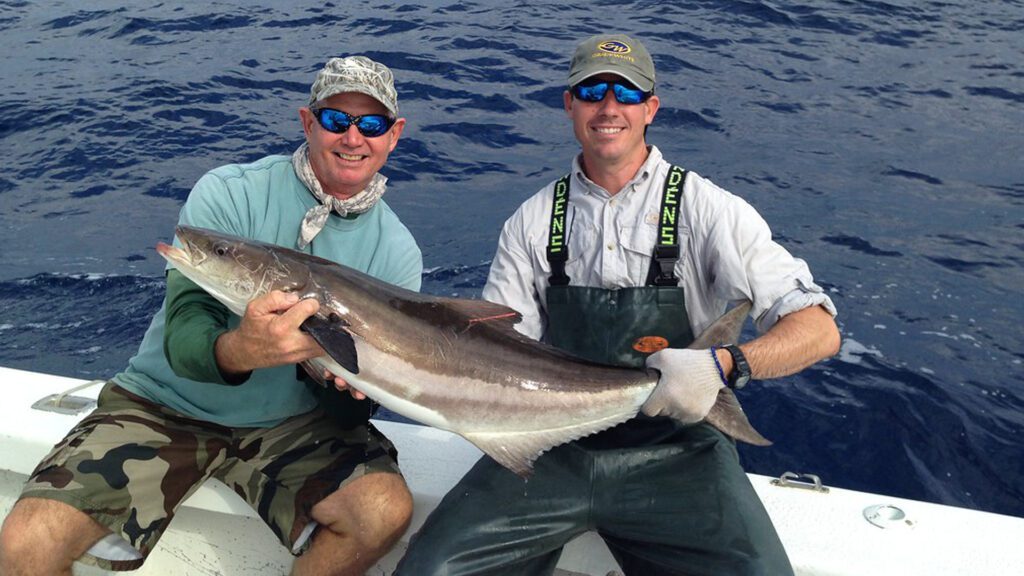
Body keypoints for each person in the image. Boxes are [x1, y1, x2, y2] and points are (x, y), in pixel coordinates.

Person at [395, 33, 840, 576]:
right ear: (570, 105)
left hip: (677, 450)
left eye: (626, 93)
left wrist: (723, 365)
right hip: (550, 448)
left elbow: (818, 330)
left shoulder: (709, 209)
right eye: (592, 92)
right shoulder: (531, 221)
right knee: (429, 568)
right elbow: (497, 352)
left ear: (650, 108)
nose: (609, 108)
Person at [0, 55, 420, 576]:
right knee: (24, 546)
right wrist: (242, 350)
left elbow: (354, 412)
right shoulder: (229, 193)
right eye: (336, 119)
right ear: (308, 123)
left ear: (393, 135)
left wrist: (351, 391)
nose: (353, 137)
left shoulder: (397, 253)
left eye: (371, 124)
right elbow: (185, 328)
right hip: (165, 406)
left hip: (292, 424)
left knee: (380, 512)